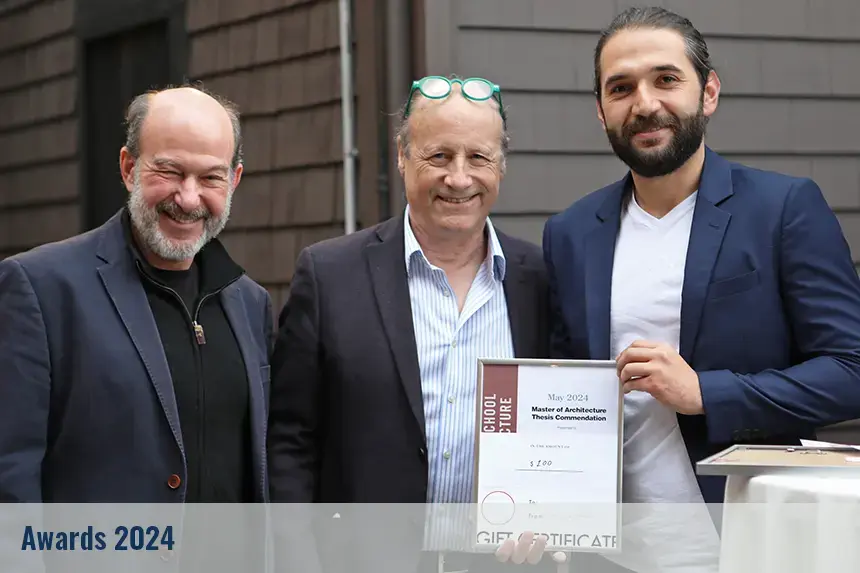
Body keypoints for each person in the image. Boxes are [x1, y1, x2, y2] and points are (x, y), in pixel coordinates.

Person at [543, 6, 860, 572]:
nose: (644, 103)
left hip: (744, 545)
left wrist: (707, 393)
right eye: (621, 88)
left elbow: (852, 369)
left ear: (708, 92)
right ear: (600, 111)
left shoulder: (782, 209)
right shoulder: (569, 233)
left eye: (666, 79)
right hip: (608, 556)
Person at [267, 76, 557, 573]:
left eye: (479, 158)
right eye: (439, 157)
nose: (459, 178)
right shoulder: (330, 275)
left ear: (501, 168)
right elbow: (290, 442)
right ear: (403, 158)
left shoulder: (541, 281)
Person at [0, 86, 272, 569]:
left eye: (210, 177)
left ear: (234, 180)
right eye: (169, 171)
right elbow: (10, 480)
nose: (188, 198)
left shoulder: (251, 304)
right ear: (129, 167)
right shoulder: (39, 288)